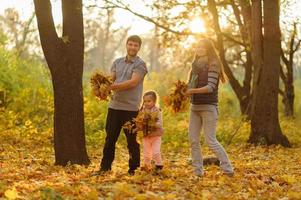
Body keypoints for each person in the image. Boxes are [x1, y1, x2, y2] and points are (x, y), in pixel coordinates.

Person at [94, 35, 148, 176]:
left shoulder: (140, 65)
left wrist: (112, 87)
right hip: (114, 107)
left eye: (135, 45)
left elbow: (133, 82)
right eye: (130, 44)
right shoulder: (117, 62)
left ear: (139, 48)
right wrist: (102, 87)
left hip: (130, 109)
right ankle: (105, 168)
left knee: (132, 141)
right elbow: (111, 78)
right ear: (126, 45)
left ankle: (133, 169)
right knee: (110, 138)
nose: (132, 47)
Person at [185, 38, 234, 177]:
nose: (199, 49)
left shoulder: (214, 64)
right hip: (194, 107)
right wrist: (183, 93)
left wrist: (191, 91)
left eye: (203, 47)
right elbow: (190, 86)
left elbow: (210, 87)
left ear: (208, 49)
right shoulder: (194, 65)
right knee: (193, 140)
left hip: (208, 107)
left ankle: (228, 169)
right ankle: (198, 172)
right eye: (198, 46)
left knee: (210, 140)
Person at [139, 91, 164, 172]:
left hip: (156, 136)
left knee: (156, 152)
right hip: (146, 136)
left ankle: (159, 165)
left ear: (154, 101)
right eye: (145, 101)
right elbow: (139, 122)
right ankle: (147, 166)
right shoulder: (142, 111)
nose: (146, 103)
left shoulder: (157, 111)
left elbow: (160, 124)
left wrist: (151, 123)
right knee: (146, 154)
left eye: (149, 101)